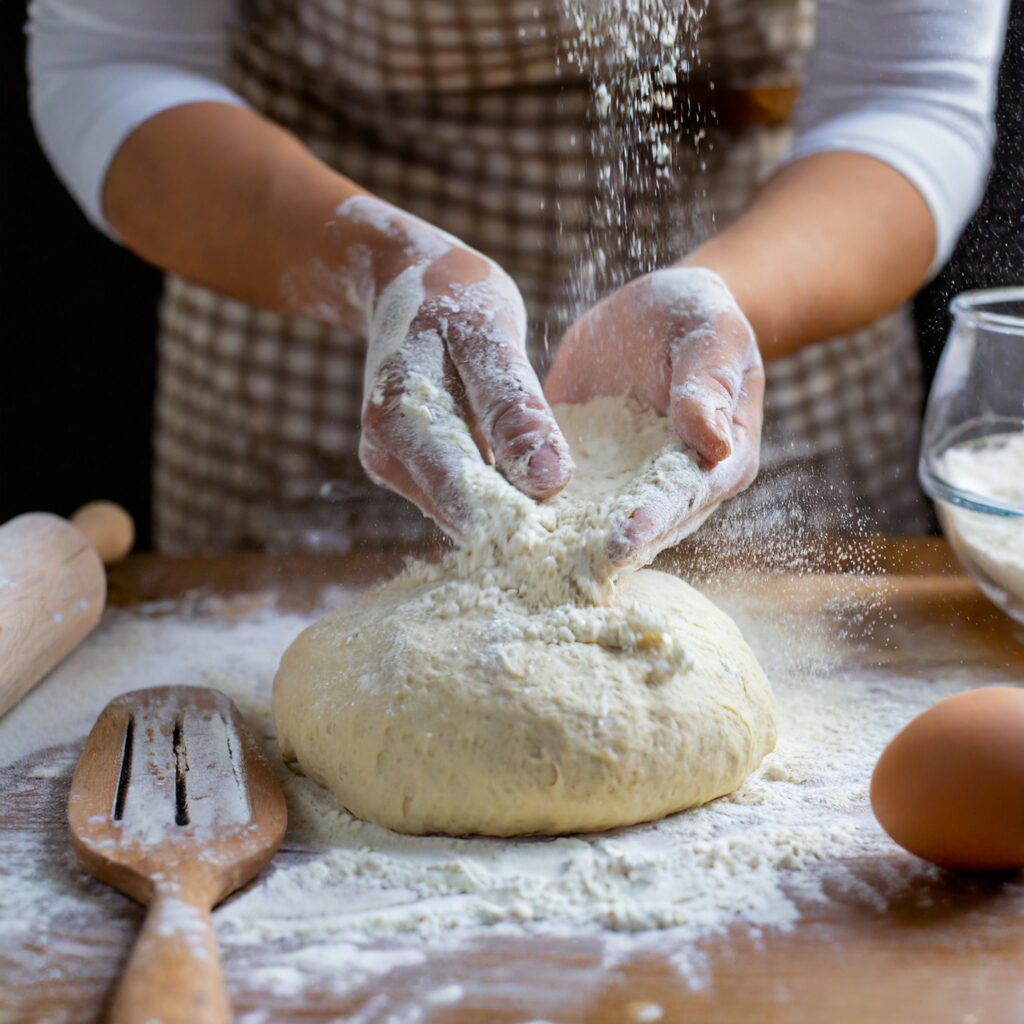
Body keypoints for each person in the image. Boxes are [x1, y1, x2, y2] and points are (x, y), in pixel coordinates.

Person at [27, 0, 1010, 557]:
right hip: (312, 295)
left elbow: (908, 93)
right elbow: (119, 61)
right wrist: (379, 263)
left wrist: (726, 302)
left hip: (775, 274)